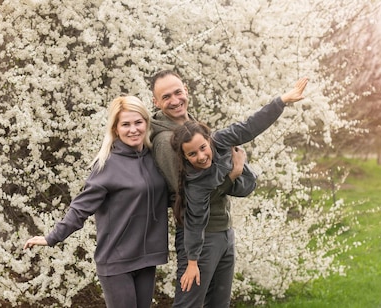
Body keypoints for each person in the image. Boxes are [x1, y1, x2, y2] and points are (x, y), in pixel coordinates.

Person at [169, 77, 309, 307]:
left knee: (220, 302)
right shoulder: (195, 183)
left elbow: (250, 126)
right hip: (204, 240)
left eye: (203, 148)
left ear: (208, 140)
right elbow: (195, 223)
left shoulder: (221, 139)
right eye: (192, 154)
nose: (201, 157)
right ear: (184, 158)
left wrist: (282, 100)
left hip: (226, 233)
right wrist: (192, 261)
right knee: (189, 303)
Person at [24, 95, 170, 308]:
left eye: (138, 122)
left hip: (146, 258)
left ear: (147, 123)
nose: (133, 130)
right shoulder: (107, 165)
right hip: (116, 261)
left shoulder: (153, 157)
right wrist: (52, 237)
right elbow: (81, 207)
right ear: (115, 129)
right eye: (125, 124)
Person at [150, 69, 258, 307]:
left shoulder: (192, 128)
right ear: (155, 102)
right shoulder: (166, 142)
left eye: (178, 92)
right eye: (166, 97)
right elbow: (190, 197)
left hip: (222, 230)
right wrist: (233, 174)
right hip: (199, 237)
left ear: (186, 90)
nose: (175, 100)